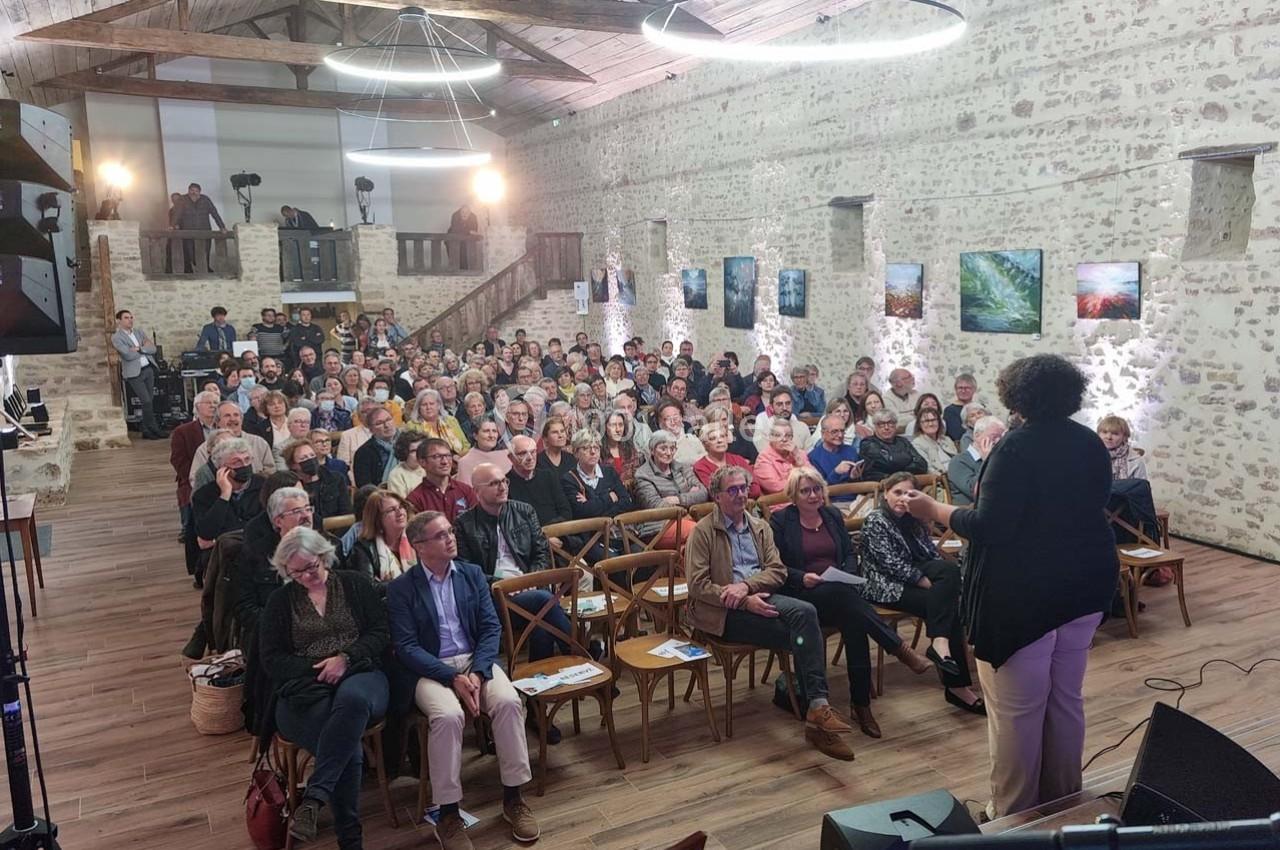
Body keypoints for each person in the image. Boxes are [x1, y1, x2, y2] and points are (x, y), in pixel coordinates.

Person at [904, 354, 1119, 819]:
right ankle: (1063, 802)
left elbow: (989, 525)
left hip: (1023, 595)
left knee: (1017, 713)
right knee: (1064, 700)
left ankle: (1013, 816)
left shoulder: (1016, 448)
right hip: (1083, 584)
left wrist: (934, 511)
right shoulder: (1087, 442)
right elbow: (1098, 501)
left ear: (1016, 395)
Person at [386, 512, 538, 849]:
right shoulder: (402, 588)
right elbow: (407, 647)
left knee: (509, 701)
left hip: (474, 661)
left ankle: (514, 798)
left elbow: (490, 628)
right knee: (448, 716)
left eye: (450, 531)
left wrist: (476, 671)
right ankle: (449, 814)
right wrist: (452, 677)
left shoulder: (470, 575)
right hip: (431, 667)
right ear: (420, 546)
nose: (450, 538)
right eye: (440, 535)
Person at [685, 465, 857, 760]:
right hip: (723, 613)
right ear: (716, 496)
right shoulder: (703, 532)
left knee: (806, 615)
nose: (741, 495)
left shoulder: (759, 526)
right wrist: (741, 599)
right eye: (733, 490)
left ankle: (816, 707)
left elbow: (776, 571)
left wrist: (747, 588)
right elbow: (698, 586)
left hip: (762, 597)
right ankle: (814, 710)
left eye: (743, 488)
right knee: (803, 633)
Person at [769, 467, 931, 737]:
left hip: (839, 592)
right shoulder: (781, 521)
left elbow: (849, 554)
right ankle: (898, 649)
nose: (813, 495)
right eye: (805, 491)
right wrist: (802, 577)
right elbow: (777, 566)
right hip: (804, 596)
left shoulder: (832, 515)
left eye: (817, 489)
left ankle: (861, 704)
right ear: (793, 495)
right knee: (850, 604)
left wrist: (847, 574)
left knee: (854, 619)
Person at [259, 527, 389, 847]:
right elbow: (271, 660)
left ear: (323, 555)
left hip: (361, 672)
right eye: (296, 572)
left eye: (311, 567)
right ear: (285, 571)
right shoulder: (280, 601)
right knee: (350, 751)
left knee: (354, 700)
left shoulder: (355, 584)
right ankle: (350, 840)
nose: (305, 576)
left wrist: (345, 658)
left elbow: (381, 633)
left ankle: (313, 801)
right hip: (307, 688)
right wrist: (319, 668)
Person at [861, 471, 984, 715]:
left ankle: (940, 646)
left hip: (915, 574)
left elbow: (929, 553)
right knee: (944, 603)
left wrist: (935, 580)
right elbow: (890, 564)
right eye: (897, 493)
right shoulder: (875, 520)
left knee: (948, 571)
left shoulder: (915, 517)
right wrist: (926, 581)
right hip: (885, 584)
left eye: (909, 493)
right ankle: (957, 687)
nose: (902, 498)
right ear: (886, 494)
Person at [171, 390, 220, 574]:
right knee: (193, 507)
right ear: (197, 406)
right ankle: (198, 564)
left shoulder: (223, 428)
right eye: (208, 402)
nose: (213, 405)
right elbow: (179, 460)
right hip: (193, 479)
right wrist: (198, 478)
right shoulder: (183, 431)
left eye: (216, 402)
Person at [633, 431, 705, 550]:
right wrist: (687, 502)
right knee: (698, 532)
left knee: (687, 547)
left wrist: (678, 499)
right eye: (663, 448)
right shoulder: (643, 475)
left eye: (672, 448)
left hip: (687, 520)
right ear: (652, 450)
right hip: (657, 528)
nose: (668, 453)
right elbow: (656, 505)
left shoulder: (682, 467)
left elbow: (703, 493)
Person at [111, 309, 166, 439]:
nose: (130, 320)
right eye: (126, 318)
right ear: (119, 321)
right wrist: (142, 349)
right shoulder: (117, 337)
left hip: (148, 369)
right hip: (134, 373)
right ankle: (152, 428)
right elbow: (127, 354)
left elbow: (152, 349)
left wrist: (140, 348)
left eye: (131, 317)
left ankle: (146, 430)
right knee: (146, 401)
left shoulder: (139, 332)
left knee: (149, 401)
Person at [188, 401, 275, 482]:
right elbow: (195, 479)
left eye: (236, 415)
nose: (232, 419)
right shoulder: (205, 448)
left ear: (242, 419)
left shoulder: (259, 443)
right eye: (227, 416)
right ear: (217, 422)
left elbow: (270, 471)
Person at [346, 490, 415, 584]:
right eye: (391, 510)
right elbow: (369, 588)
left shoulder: (417, 539)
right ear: (377, 519)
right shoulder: (364, 549)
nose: (400, 512)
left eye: (401, 507)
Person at [561, 429, 633, 520]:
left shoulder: (609, 472)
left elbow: (626, 503)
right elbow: (581, 512)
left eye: (596, 447)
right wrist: (609, 498)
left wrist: (591, 504)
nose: (593, 452)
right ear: (575, 453)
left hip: (616, 530)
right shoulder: (569, 479)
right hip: (589, 533)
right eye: (586, 448)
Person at [506, 435, 573, 529]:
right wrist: (543, 537)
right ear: (510, 457)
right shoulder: (505, 485)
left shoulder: (548, 476)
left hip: (559, 536)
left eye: (533, 452)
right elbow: (512, 525)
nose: (529, 458)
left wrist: (551, 533)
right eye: (522, 453)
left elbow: (566, 512)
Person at [407, 438, 477, 521]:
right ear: (422, 462)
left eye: (448, 456)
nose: (445, 462)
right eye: (437, 457)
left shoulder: (466, 490)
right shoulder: (415, 499)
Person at [283, 438, 351, 522]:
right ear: (293, 465)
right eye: (303, 458)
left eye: (312, 455)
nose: (310, 460)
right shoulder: (290, 486)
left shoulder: (336, 479)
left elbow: (346, 512)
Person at [947, 416, 1006, 506]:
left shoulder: (999, 458)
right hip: (971, 511)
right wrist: (987, 462)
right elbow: (975, 491)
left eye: (1001, 437)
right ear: (977, 435)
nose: (998, 441)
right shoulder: (958, 462)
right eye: (994, 436)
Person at [692, 421, 760, 498]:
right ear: (705, 445)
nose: (719, 441)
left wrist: (732, 492)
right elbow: (715, 494)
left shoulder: (738, 459)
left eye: (722, 436)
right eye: (713, 438)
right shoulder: (700, 466)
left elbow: (755, 489)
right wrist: (742, 490)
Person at [859, 410, 928, 481]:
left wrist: (902, 473)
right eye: (881, 424)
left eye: (890, 423)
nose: (886, 427)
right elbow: (889, 464)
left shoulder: (903, 441)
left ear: (895, 425)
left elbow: (921, 464)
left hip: (908, 482)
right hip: (882, 485)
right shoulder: (868, 443)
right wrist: (907, 465)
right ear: (875, 426)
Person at [807, 413, 865, 495]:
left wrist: (855, 477)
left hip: (857, 499)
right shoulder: (813, 457)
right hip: (833, 502)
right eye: (834, 432)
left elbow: (861, 484)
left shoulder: (851, 451)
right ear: (823, 434)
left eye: (842, 431)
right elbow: (819, 490)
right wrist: (836, 473)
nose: (840, 435)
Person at [174, 182, 225, 273]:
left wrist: (222, 226)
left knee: (205, 253)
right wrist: (173, 225)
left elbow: (214, 213)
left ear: (200, 192)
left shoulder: (205, 200)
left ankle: (205, 270)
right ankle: (196, 269)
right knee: (191, 254)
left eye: (196, 191)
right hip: (189, 233)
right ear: (188, 191)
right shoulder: (182, 200)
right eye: (192, 190)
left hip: (204, 232)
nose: (194, 192)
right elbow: (177, 214)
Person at [754, 417, 809, 499]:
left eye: (787, 436)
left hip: (807, 498)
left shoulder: (799, 453)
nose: (783, 439)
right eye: (778, 435)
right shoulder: (764, 458)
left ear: (792, 437)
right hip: (782, 504)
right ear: (770, 437)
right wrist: (804, 482)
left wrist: (798, 459)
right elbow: (777, 487)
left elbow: (814, 477)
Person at [404, 389, 470, 456]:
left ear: (438, 405)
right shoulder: (412, 426)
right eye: (424, 405)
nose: (428, 407)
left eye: (432, 404)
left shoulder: (451, 420)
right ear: (419, 408)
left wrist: (459, 457)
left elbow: (465, 444)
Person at [751, 387, 812, 453]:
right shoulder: (763, 430)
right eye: (779, 404)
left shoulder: (803, 427)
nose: (784, 408)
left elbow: (809, 456)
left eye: (788, 403)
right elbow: (768, 457)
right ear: (771, 407)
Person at [352, 406, 398, 487]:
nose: (386, 425)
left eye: (388, 419)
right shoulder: (363, 453)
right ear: (371, 430)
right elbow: (365, 487)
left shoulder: (408, 442)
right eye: (379, 423)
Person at [457, 419, 511, 485]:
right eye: (486, 431)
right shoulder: (465, 462)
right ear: (475, 436)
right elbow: (466, 491)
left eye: (494, 431)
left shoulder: (508, 455)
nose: (491, 435)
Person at [1097, 415, 1148, 481]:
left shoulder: (1136, 460)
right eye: (1105, 432)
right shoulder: (1090, 455)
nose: (1109, 437)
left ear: (1124, 437)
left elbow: (1141, 488)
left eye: (1115, 434)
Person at [602, 409, 644, 488]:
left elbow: (638, 476)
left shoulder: (630, 449)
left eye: (621, 425)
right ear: (604, 427)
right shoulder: (598, 451)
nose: (618, 430)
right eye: (613, 425)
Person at [912, 405, 957, 476]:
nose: (930, 424)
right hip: (943, 477)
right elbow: (928, 469)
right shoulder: (917, 443)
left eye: (933, 420)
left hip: (958, 471)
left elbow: (957, 458)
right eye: (926, 421)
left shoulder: (946, 439)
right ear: (919, 424)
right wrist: (943, 477)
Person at [385, 432, 426, 498]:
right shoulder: (397, 475)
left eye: (420, 449)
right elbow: (402, 503)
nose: (419, 453)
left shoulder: (429, 467)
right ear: (404, 452)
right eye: (413, 451)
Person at [944, 373, 979, 442]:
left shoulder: (980, 408)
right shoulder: (950, 411)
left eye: (967, 388)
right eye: (960, 388)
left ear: (974, 389)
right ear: (955, 389)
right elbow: (957, 435)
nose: (963, 391)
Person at [884, 368, 921, 433]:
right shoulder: (886, 399)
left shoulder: (916, 394)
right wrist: (917, 416)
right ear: (898, 383)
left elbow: (925, 414)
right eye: (908, 377)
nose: (913, 378)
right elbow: (896, 422)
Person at [448, 204, 481, 271]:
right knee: (455, 255)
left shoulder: (473, 217)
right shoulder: (455, 216)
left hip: (467, 242)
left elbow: (474, 231)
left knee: (465, 254)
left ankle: (466, 268)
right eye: (463, 212)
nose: (464, 214)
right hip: (453, 239)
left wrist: (469, 232)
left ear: (470, 213)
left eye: (467, 212)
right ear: (460, 212)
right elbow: (455, 229)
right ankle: (455, 268)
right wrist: (468, 231)